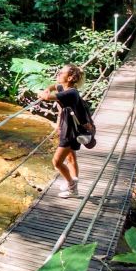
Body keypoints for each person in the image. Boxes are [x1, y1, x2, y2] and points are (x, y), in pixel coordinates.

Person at [37, 64, 93, 197]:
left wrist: (40, 92)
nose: (58, 74)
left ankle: (72, 187)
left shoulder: (71, 93)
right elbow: (54, 86)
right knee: (71, 158)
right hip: (70, 128)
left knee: (56, 162)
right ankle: (73, 187)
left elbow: (47, 97)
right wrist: (48, 88)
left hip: (70, 132)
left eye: (61, 72)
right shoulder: (66, 88)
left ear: (70, 77)